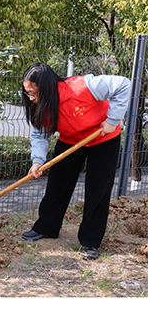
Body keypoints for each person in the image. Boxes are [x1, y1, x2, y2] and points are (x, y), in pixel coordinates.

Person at [19, 62, 131, 260]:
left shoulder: (83, 87)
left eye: (34, 93)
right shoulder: (40, 106)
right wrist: (37, 161)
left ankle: (90, 242)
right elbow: (39, 135)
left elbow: (123, 84)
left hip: (103, 138)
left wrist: (113, 120)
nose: (31, 98)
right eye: (28, 93)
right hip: (70, 141)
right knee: (57, 185)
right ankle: (47, 227)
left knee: (98, 190)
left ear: (47, 89)